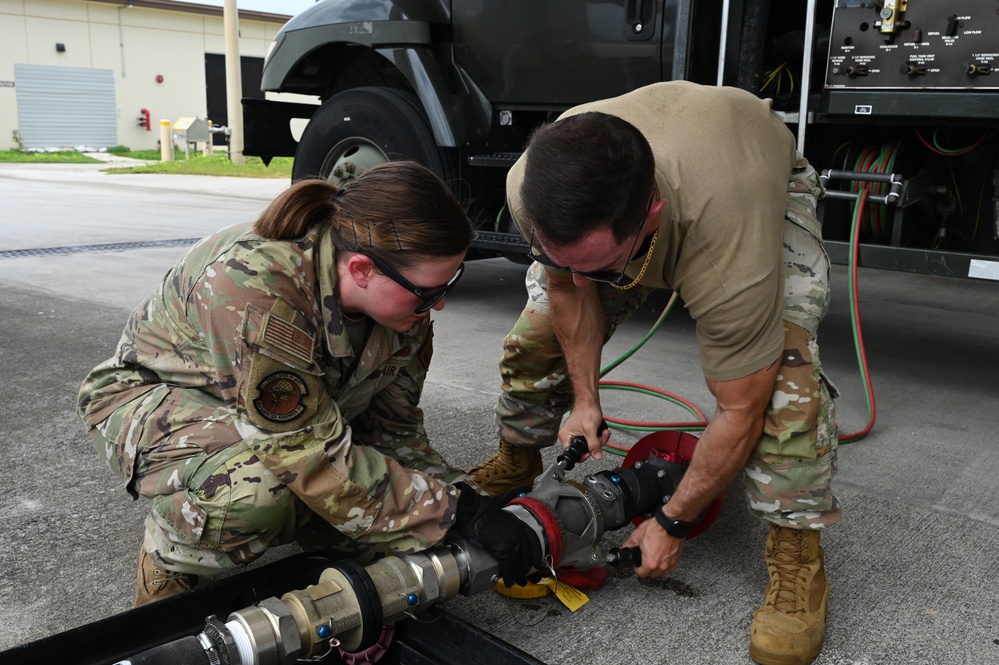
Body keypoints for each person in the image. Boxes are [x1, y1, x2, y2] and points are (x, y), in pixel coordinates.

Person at [468, 81, 839, 665]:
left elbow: (741, 405)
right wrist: (584, 402)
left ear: (652, 218)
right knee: (534, 340)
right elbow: (567, 284)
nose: (585, 279)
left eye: (602, 266)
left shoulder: (725, 239)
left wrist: (673, 519)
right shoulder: (531, 185)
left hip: (749, 182)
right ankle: (518, 457)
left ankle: (796, 554)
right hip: (644, 190)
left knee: (785, 384)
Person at [78, 160, 539, 607]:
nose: (438, 306)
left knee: (394, 532)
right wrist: (448, 515)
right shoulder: (254, 288)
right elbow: (305, 453)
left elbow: (395, 432)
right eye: (430, 292)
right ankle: (170, 555)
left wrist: (470, 504)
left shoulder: (404, 308)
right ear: (361, 269)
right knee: (261, 490)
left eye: (449, 284)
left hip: (283, 421)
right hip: (154, 401)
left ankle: (311, 520)